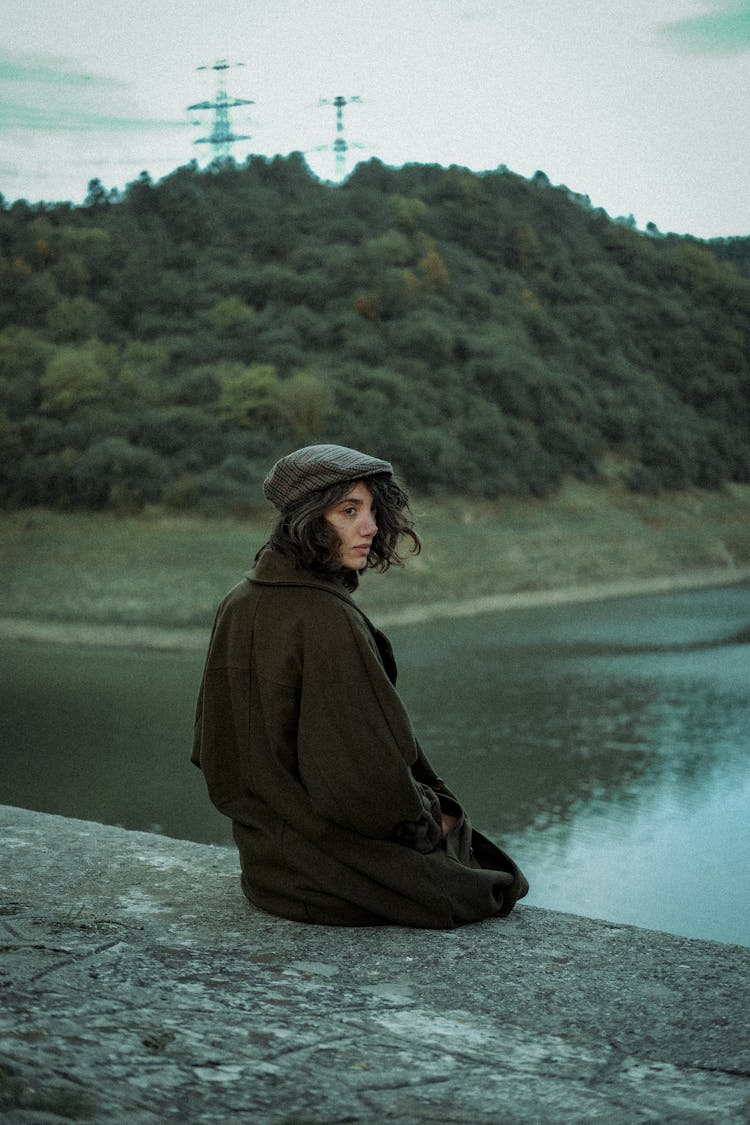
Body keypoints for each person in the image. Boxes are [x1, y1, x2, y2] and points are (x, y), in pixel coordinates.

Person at [192, 443, 528, 928]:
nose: (370, 527)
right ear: (306, 518)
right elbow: (364, 785)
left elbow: (214, 754)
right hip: (325, 879)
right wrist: (429, 819)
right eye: (349, 511)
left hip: (266, 869)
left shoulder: (238, 600)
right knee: (497, 881)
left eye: (372, 510)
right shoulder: (329, 620)